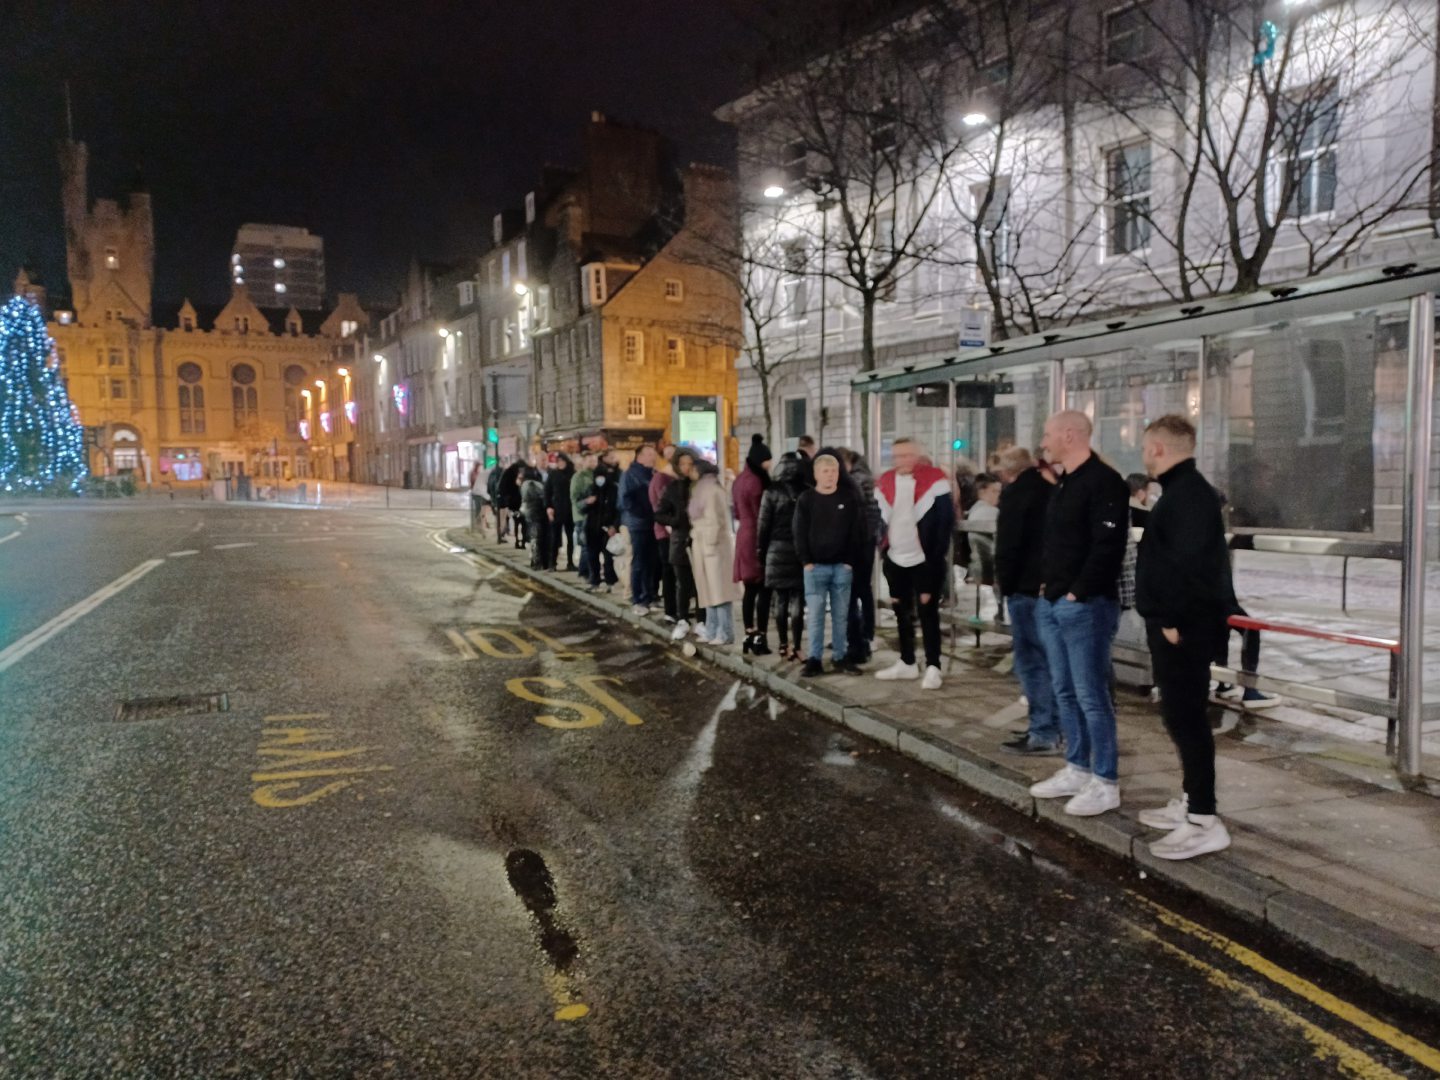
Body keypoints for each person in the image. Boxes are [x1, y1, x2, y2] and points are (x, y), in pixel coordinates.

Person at [1136, 415, 1237, 860]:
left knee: (1187, 719)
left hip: (1183, 629)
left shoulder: (1188, 495)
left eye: (1145, 447)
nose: (1143, 456)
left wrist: (1172, 619)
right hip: (1177, 625)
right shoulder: (1185, 492)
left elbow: (1189, 564)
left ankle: (1203, 819)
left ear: (1158, 448)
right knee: (1180, 717)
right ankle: (1192, 803)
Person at [1027, 410, 1130, 818]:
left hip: (1084, 606)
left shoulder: (1104, 482)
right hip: (1056, 601)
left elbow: (1108, 546)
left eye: (1048, 433)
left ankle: (1105, 780)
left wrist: (1076, 593)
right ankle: (1078, 766)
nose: (1044, 440)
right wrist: (1048, 590)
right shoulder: (1066, 482)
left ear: (1070, 435)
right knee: (1065, 690)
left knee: (1091, 694)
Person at [995, 447, 1061, 757]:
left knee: (1032, 663)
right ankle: (1057, 727)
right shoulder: (1052, 490)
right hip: (1049, 588)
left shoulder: (1016, 495)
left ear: (1007, 473)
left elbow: (1009, 545)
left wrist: (1006, 585)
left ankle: (1042, 731)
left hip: (1024, 587)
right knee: (1052, 661)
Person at [874, 438, 954, 690]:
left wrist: (934, 558)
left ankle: (933, 665)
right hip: (895, 556)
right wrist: (883, 550)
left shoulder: (935, 481)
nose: (902, 461)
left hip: (925, 558)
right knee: (900, 611)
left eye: (907, 455)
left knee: (928, 611)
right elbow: (877, 518)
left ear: (917, 455)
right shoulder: (885, 481)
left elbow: (944, 523)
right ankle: (907, 661)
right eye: (897, 456)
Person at [794, 453, 867, 677]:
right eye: (825, 471)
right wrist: (806, 561)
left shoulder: (848, 498)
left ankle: (840, 656)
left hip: (841, 568)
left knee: (841, 615)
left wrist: (849, 562)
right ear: (816, 474)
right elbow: (799, 532)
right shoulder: (806, 500)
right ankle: (814, 658)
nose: (830, 476)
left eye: (833, 471)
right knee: (815, 616)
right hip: (815, 568)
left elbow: (857, 532)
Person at [758, 452, 807, 661]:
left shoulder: (770, 492)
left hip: (776, 550)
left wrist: (761, 551)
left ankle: (782, 645)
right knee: (797, 600)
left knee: (780, 601)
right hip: (799, 551)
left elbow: (763, 526)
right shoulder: (806, 491)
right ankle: (797, 646)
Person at [688, 457, 742, 645]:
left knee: (719, 591)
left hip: (714, 547)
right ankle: (712, 629)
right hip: (705, 546)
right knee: (708, 591)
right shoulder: (703, 488)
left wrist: (709, 542)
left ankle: (724, 632)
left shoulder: (711, 490)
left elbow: (715, 519)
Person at [841, 447, 882, 665]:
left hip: (862, 541)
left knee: (861, 589)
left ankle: (865, 634)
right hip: (866, 540)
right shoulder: (863, 477)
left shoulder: (857, 479)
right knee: (861, 589)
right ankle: (862, 633)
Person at [733, 434, 773, 655]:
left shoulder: (740, 479)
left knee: (749, 589)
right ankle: (761, 637)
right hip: (757, 536)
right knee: (764, 589)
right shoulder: (758, 482)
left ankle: (748, 634)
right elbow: (763, 514)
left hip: (743, 535)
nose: (770, 464)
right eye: (768, 460)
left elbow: (737, 511)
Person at [656, 447, 701, 639]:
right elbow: (659, 513)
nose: (686, 468)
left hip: (700, 541)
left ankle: (702, 620)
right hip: (680, 541)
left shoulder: (700, 486)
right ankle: (682, 618)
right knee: (683, 583)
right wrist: (675, 521)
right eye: (682, 464)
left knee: (700, 584)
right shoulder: (672, 488)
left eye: (690, 464)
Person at [620, 444, 659, 616]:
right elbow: (626, 500)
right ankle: (638, 597)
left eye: (654, 454)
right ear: (640, 456)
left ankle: (650, 595)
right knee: (639, 562)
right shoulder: (631, 474)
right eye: (649, 454)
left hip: (652, 524)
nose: (653, 457)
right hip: (639, 524)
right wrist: (644, 514)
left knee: (652, 562)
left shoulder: (653, 474)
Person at [583, 451, 621, 592]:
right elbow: (582, 507)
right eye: (597, 477)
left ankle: (610, 582)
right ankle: (595, 581)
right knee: (592, 555)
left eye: (602, 477)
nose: (600, 479)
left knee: (608, 557)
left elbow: (618, 509)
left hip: (607, 528)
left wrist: (614, 526)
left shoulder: (613, 490)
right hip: (592, 527)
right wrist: (588, 503)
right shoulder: (591, 489)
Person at [650, 446, 680, 624]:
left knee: (672, 572)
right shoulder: (663, 479)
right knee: (669, 571)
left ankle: (674, 608)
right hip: (666, 533)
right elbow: (662, 509)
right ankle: (671, 610)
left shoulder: (668, 478)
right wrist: (671, 526)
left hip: (669, 531)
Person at [967, 472, 1002, 620]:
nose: (998, 496)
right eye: (994, 491)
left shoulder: (974, 510)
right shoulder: (991, 512)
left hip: (978, 565)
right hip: (992, 564)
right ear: (982, 492)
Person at [544, 453, 576, 571]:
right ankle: (553, 563)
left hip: (570, 510)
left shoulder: (572, 473)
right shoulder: (553, 474)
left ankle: (570, 562)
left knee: (570, 538)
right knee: (555, 537)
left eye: (562, 461)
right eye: (558, 461)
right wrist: (548, 507)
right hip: (556, 509)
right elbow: (547, 492)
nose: (560, 463)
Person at [571, 452, 596, 581]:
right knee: (586, 545)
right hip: (582, 516)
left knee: (589, 545)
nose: (593, 463)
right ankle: (584, 571)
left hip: (592, 516)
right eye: (590, 460)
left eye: (594, 460)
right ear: (584, 461)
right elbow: (574, 498)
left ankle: (585, 570)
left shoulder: (596, 475)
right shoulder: (579, 477)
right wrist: (586, 501)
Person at [520, 466, 549, 570]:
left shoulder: (524, 484)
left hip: (530, 513)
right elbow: (541, 497)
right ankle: (537, 561)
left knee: (534, 537)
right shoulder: (533, 484)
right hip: (537, 513)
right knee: (537, 537)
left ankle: (535, 560)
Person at [497, 459, 524, 547]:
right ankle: (501, 535)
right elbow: (513, 486)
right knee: (504, 518)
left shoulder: (508, 471)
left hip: (503, 496)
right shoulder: (512, 472)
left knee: (504, 517)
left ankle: (502, 535)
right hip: (506, 498)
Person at [487, 462, 507, 542]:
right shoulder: (502, 477)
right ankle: (500, 536)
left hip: (494, 500)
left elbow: (488, 489)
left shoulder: (491, 476)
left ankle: (498, 534)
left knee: (497, 518)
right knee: (502, 519)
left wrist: (492, 498)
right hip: (502, 501)